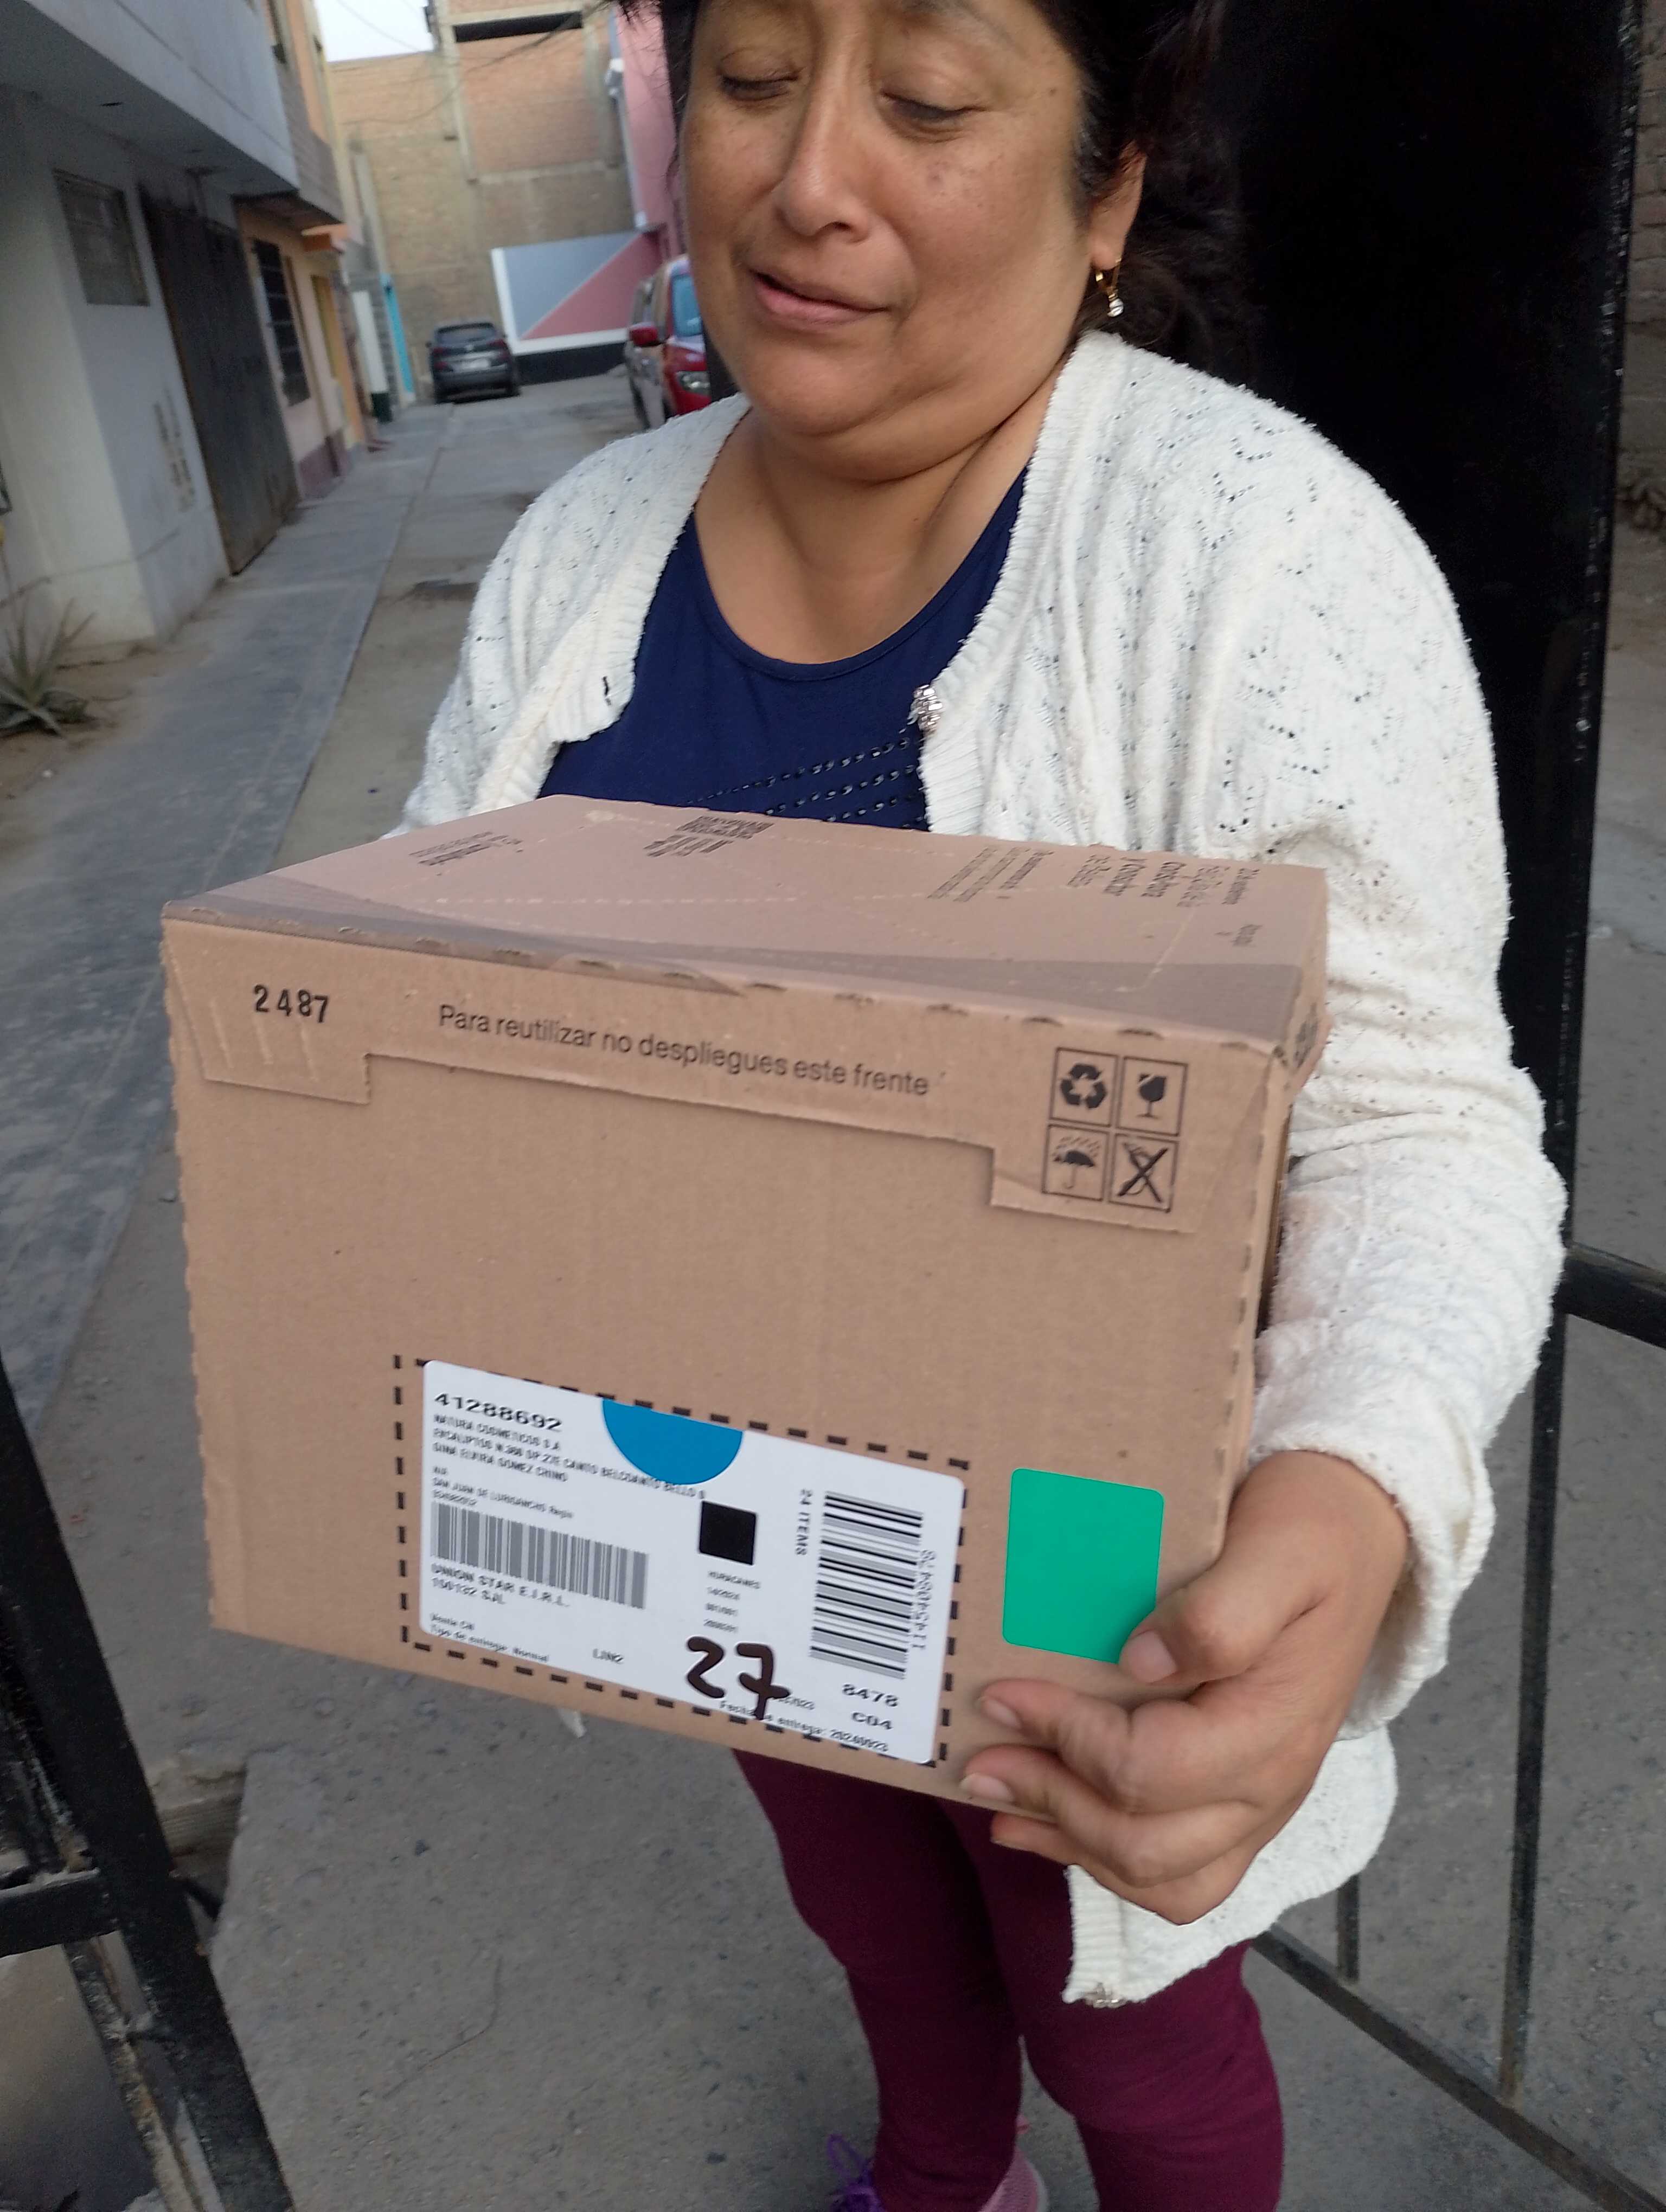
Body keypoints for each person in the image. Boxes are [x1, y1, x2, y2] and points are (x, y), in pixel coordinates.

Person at [398, 1, 1566, 2204]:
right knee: (870, 1912)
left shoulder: (1258, 561)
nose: (803, 181)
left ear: (1109, 182)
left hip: (1084, 1541)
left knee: (1123, 2012)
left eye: (927, 100)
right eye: (753, 81)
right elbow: (432, 997)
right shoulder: (579, 556)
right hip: (719, 1490)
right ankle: (946, 2178)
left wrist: (1350, 1496)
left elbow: (1418, 1119)